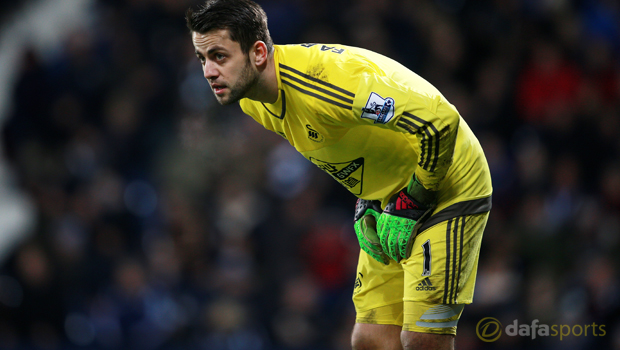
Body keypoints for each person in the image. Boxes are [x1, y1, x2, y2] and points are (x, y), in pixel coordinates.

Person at [186, 1, 492, 349]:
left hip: (449, 182)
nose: (208, 72)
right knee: (370, 340)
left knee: (422, 337)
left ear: (258, 53)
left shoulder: (328, 83)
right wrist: (367, 199)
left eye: (219, 56)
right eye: (202, 59)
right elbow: (345, 144)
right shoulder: (252, 99)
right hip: (391, 200)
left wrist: (413, 197)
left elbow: (439, 123)